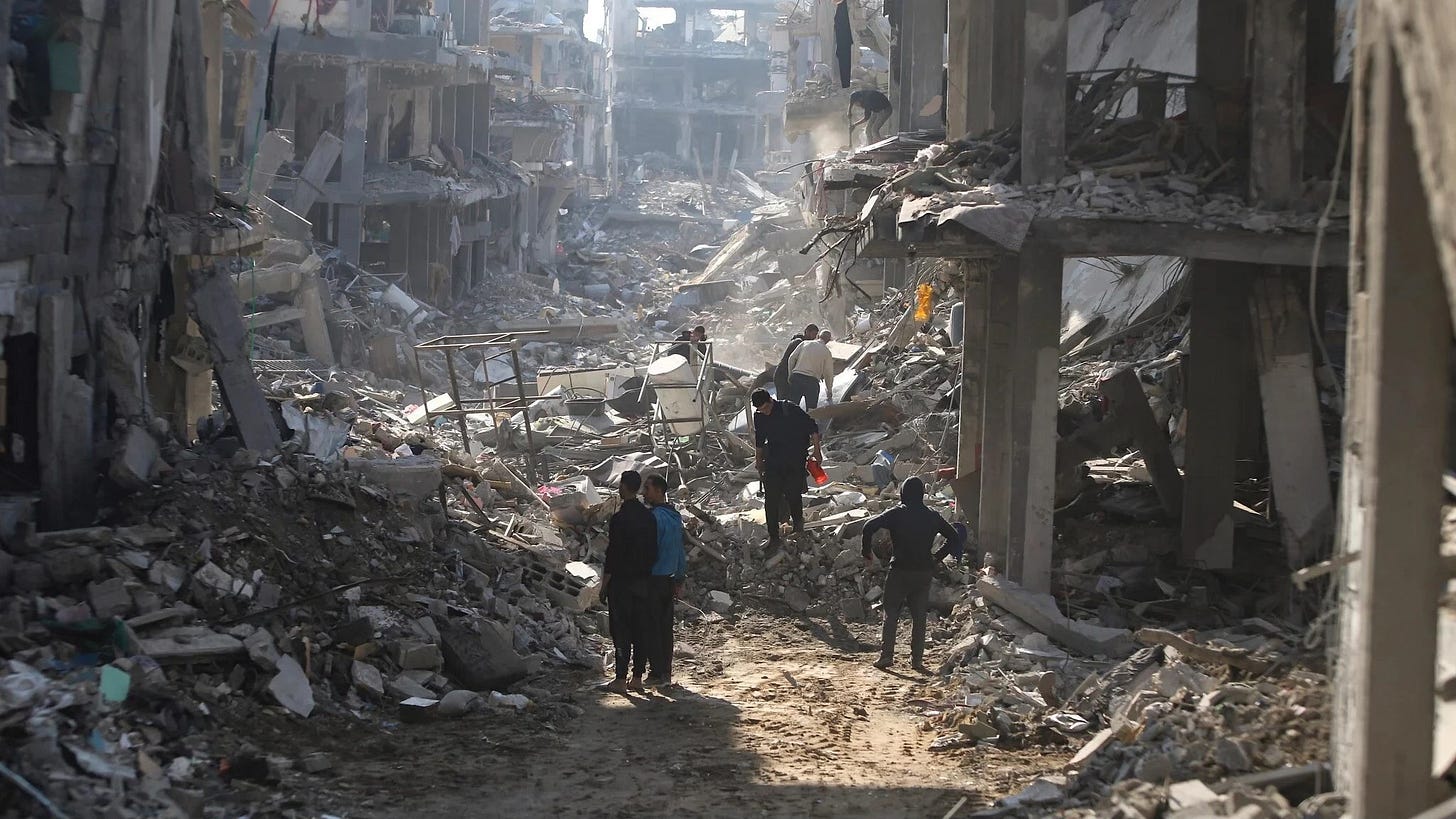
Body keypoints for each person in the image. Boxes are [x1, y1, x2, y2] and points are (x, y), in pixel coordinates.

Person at [861, 477, 961, 673]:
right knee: (919, 616)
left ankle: (886, 656)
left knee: (891, 612)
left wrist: (866, 552)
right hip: (923, 572)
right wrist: (936, 558)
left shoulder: (897, 513)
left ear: (903, 493)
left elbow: (868, 527)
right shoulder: (932, 516)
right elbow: (954, 537)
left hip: (899, 571)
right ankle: (916, 660)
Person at [600, 471, 658, 694]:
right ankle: (637, 678)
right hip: (644, 582)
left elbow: (612, 556)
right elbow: (653, 551)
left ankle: (620, 679)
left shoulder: (619, 519)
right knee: (641, 629)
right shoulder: (649, 518)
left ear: (624, 487)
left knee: (622, 631)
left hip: (622, 583)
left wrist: (604, 585)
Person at [751, 388, 823, 550]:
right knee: (771, 499)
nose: (765, 412)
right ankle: (773, 537)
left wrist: (817, 451)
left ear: (771, 400)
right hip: (773, 462)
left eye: (766, 408)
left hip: (794, 460)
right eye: (761, 410)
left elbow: (813, 428)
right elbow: (760, 440)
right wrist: (759, 460)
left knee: (793, 495)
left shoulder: (789, 409)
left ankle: (798, 528)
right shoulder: (760, 416)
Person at [642, 473, 686, 690]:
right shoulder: (675, 517)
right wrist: (679, 579)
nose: (644, 493)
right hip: (669, 580)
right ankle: (665, 672)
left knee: (651, 627)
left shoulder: (653, 518)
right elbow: (680, 551)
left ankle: (655, 671)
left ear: (659, 491)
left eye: (647, 489)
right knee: (665, 628)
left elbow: (648, 551)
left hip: (652, 580)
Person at [788, 327, 835, 410]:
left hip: (797, 378)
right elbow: (828, 373)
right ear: (828, 341)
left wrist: (790, 374)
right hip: (812, 382)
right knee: (811, 410)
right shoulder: (827, 352)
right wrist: (829, 390)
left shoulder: (805, 343)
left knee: (791, 407)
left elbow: (791, 358)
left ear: (818, 336)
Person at [773, 325, 812, 404]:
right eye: (813, 334)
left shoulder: (800, 342)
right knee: (783, 403)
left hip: (785, 375)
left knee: (787, 402)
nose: (813, 337)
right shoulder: (798, 342)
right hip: (783, 375)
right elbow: (793, 360)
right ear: (806, 332)